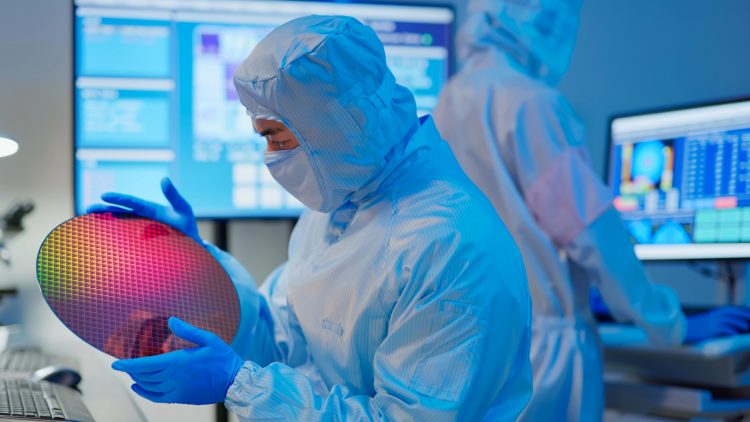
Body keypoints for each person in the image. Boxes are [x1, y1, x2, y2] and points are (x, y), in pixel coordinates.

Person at [88, 15, 533, 421]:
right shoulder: (341, 202)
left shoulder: (451, 247)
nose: (270, 158)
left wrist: (238, 384)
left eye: (277, 137)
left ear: (333, 125)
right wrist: (201, 268)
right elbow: (284, 340)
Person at [432, 0, 750, 420]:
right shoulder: (529, 103)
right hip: (544, 352)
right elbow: (592, 232)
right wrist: (671, 324)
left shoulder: (448, 102)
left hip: (471, 346)